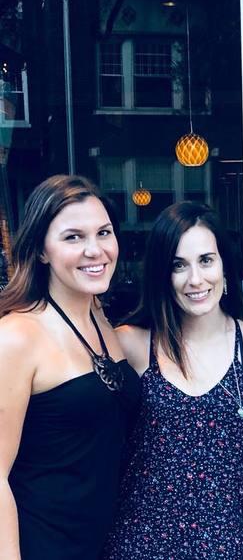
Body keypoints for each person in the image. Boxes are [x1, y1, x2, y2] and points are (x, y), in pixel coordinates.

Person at [103, 201, 243, 559]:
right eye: (179, 265)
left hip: (228, 546)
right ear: (162, 274)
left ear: (224, 266)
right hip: (140, 545)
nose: (195, 279)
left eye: (206, 260)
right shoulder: (131, 343)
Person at [0, 175, 141, 560]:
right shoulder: (17, 336)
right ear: (41, 251)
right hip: (42, 545)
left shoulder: (102, 320)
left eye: (103, 233)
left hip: (104, 544)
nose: (95, 250)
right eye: (73, 237)